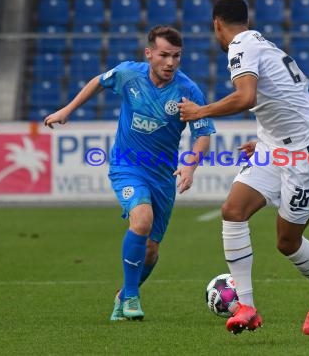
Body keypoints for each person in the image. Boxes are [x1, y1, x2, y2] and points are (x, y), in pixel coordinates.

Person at [178, 0, 309, 336]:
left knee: (286, 242)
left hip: (307, 154)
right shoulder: (259, 43)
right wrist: (267, 140)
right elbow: (280, 98)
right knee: (232, 210)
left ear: (216, 25)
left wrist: (199, 111)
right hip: (276, 147)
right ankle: (247, 307)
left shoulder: (240, 46)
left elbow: (247, 97)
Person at [44, 26, 216, 321]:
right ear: (149, 54)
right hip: (127, 167)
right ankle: (133, 297)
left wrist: (189, 165)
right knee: (142, 219)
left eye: (176, 56)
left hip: (162, 177)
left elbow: (203, 134)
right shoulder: (128, 74)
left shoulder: (188, 91)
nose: (170, 63)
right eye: (164, 55)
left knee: (151, 251)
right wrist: (67, 110)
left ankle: (123, 296)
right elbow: (98, 82)